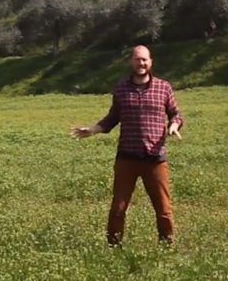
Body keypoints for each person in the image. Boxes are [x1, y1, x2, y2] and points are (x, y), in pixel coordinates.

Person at [71, 45, 183, 246]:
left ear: (150, 62)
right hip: (126, 159)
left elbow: (175, 114)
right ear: (131, 61)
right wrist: (92, 130)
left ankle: (167, 246)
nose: (141, 63)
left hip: (155, 159)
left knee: (163, 209)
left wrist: (174, 125)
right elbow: (113, 117)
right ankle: (113, 246)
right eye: (137, 59)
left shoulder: (163, 87)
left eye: (145, 60)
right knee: (118, 208)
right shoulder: (121, 88)